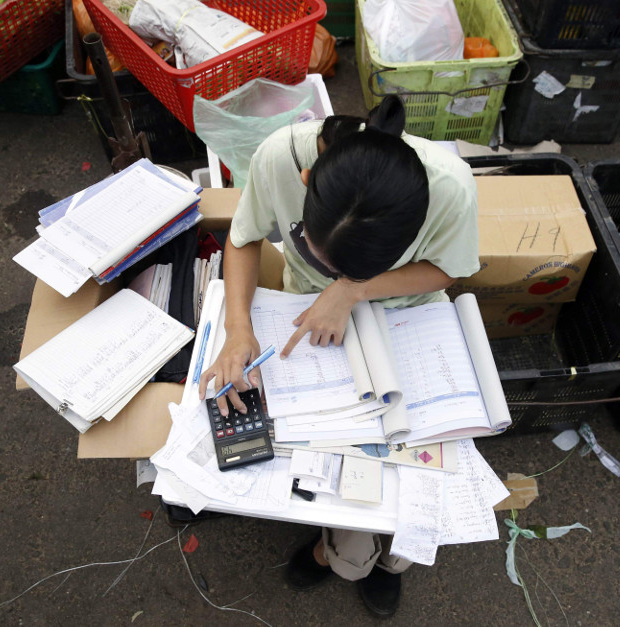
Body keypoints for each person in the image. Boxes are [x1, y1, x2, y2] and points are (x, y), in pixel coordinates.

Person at [198, 95, 481, 618]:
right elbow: (242, 238)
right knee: (328, 464)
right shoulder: (279, 159)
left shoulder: (450, 188)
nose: (330, 269)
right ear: (306, 183)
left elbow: (448, 270)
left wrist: (352, 290)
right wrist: (238, 329)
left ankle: (387, 560)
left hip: (407, 319)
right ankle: (340, 553)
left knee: (414, 470)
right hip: (303, 315)